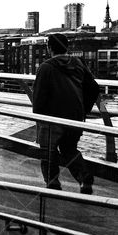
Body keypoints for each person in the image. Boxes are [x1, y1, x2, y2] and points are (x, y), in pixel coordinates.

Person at [32, 33, 99, 194]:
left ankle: (53, 182)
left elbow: (39, 97)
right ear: (67, 47)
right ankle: (84, 178)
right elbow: (94, 88)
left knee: (48, 150)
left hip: (51, 117)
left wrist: (39, 117)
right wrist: (84, 109)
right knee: (69, 149)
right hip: (75, 116)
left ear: (49, 48)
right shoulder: (78, 64)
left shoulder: (46, 67)